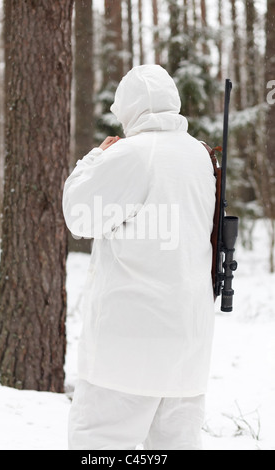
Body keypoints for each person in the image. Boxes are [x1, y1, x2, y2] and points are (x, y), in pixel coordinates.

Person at [63, 65, 216, 450]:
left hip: (126, 348)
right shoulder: (200, 156)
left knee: (98, 446)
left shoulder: (132, 154)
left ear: (129, 109)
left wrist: (94, 158)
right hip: (187, 346)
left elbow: (78, 214)